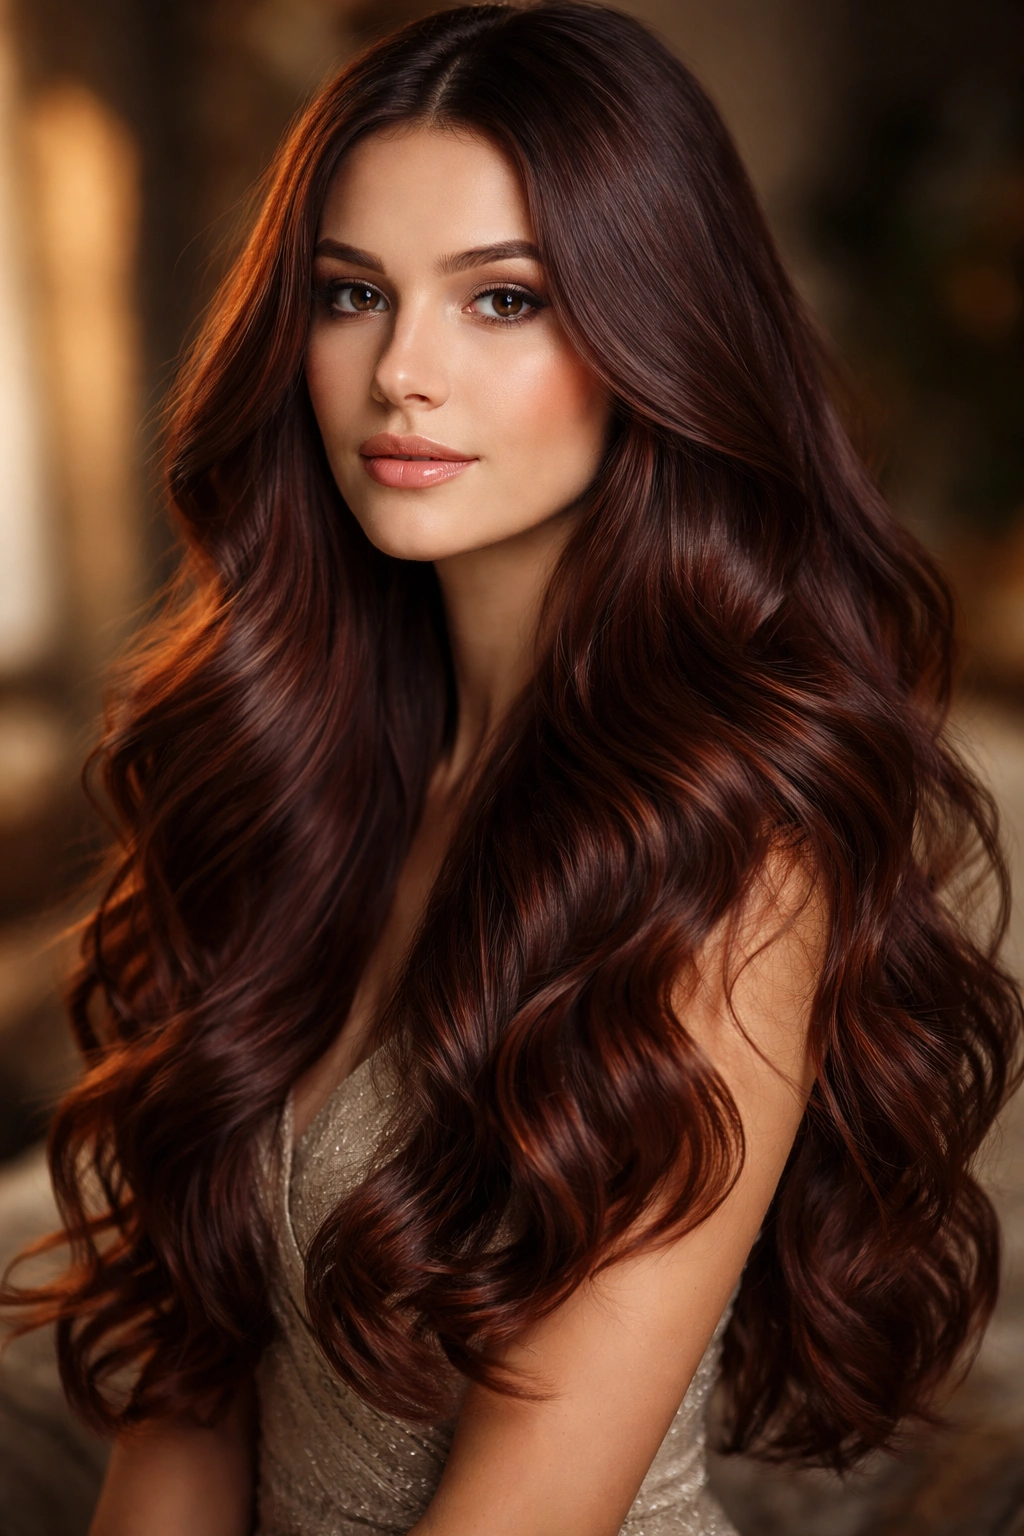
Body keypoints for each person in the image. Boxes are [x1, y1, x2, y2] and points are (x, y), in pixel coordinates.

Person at [4, 4, 1022, 1533]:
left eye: (504, 303)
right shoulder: (293, 779)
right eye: (352, 294)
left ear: (651, 336)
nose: (402, 372)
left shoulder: (735, 852)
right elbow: (185, 1399)